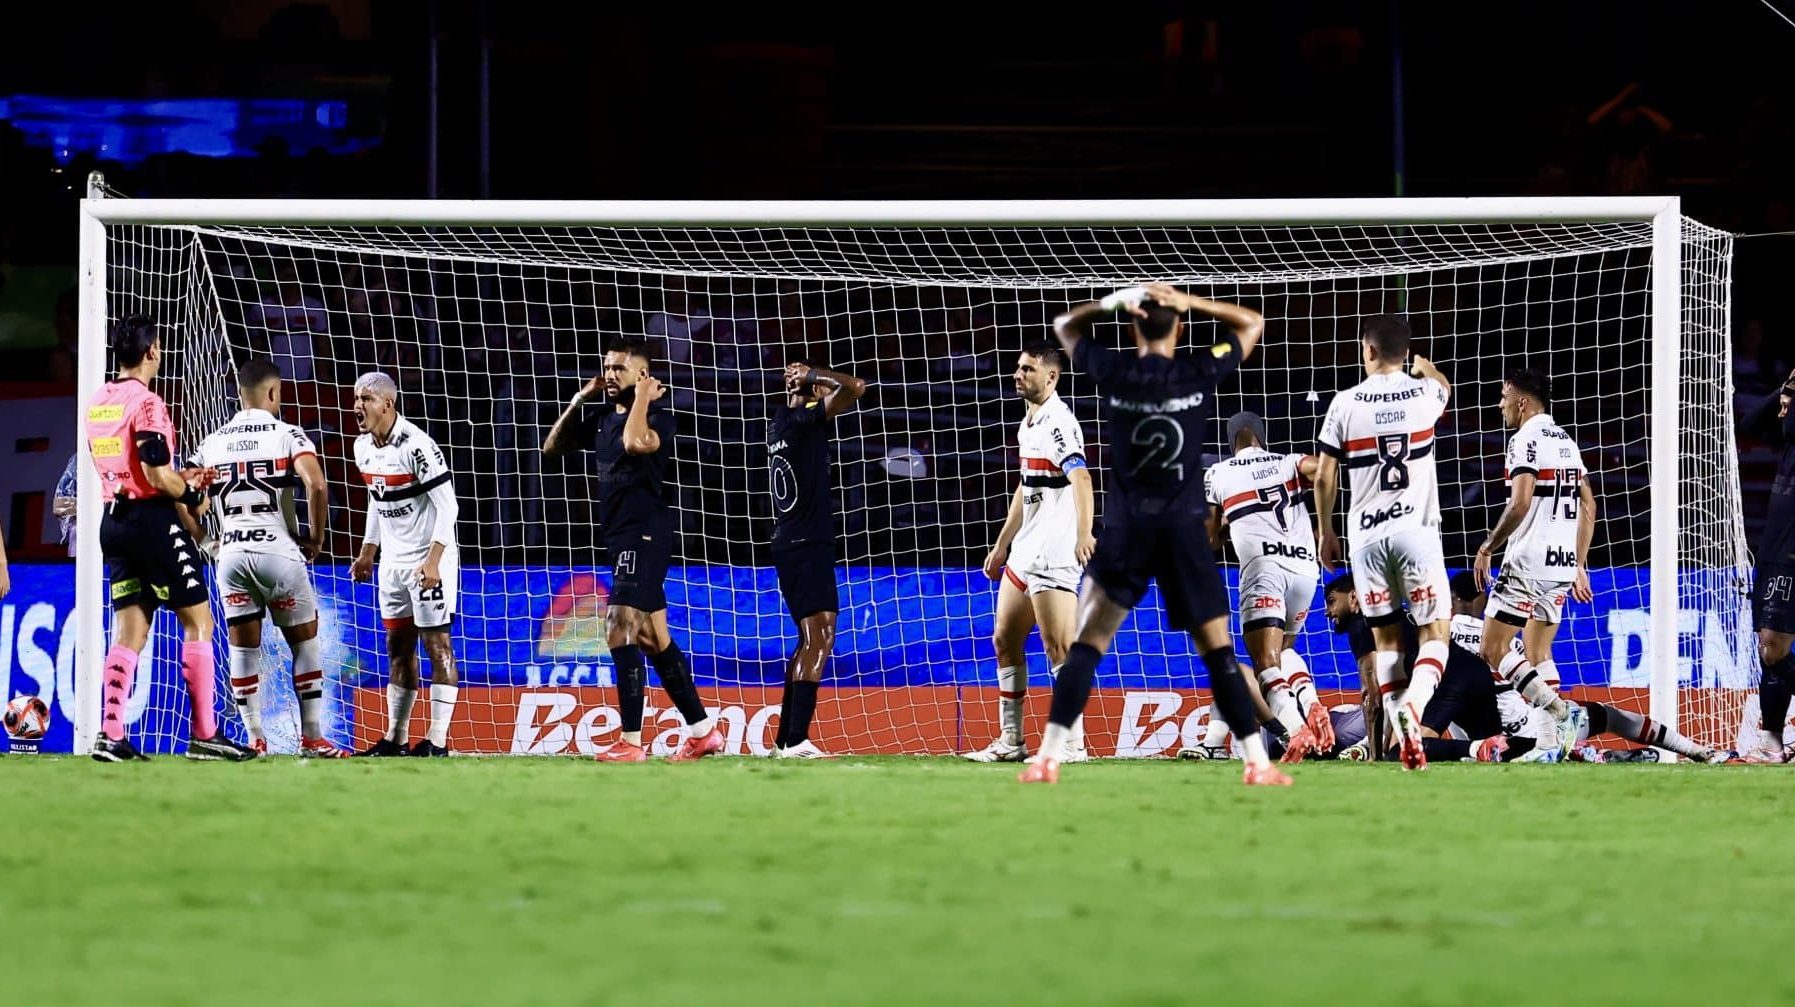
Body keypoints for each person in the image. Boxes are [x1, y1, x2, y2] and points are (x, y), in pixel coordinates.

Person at [1021, 283, 1288, 786]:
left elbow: (1064, 326)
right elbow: (1252, 323)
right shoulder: (1197, 369)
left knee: (1088, 645)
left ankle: (1048, 757)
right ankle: (1257, 762)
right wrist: (1193, 302)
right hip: (1184, 531)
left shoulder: (1115, 370)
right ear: (1180, 329)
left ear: (1132, 328)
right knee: (1218, 651)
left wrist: (1114, 301)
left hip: (1128, 530)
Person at [541, 339, 723, 762]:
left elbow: (636, 443)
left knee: (618, 626)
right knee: (653, 638)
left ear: (641, 376)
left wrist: (642, 398)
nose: (609, 375)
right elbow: (552, 447)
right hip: (620, 537)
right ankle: (703, 733)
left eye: (618, 369)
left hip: (646, 536)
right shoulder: (602, 419)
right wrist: (579, 399)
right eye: (606, 367)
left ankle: (631, 742)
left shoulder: (660, 417)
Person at [84, 315, 254, 762]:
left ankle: (111, 734)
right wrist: (194, 492)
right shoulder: (147, 404)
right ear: (152, 352)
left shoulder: (98, 402)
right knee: (199, 621)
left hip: (114, 523)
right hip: (153, 523)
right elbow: (157, 476)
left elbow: (133, 469)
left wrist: (180, 477)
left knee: (130, 630)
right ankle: (205, 734)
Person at [1314, 314, 1453, 771]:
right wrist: (1424, 367)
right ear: (1403, 352)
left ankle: (1399, 732)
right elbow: (1444, 386)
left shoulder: (1345, 403)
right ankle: (1413, 709)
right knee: (1435, 634)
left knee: (1386, 643)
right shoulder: (1424, 393)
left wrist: (1325, 529)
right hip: (1416, 533)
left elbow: (1326, 475)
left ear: (1369, 350)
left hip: (1366, 540)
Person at [190, 359, 344, 757]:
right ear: (274, 392)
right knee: (305, 643)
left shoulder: (212, 442)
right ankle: (312, 738)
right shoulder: (288, 434)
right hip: (278, 551)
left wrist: (205, 540)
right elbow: (317, 485)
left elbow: (180, 494)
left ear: (240, 394)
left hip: (232, 555)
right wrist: (316, 538)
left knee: (244, 650)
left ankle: (255, 739)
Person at [965, 342, 1096, 763]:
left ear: (1051, 377)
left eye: (1027, 369)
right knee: (1004, 639)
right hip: (1025, 551)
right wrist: (1003, 543)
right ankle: (1011, 741)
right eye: (1018, 367)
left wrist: (1084, 533)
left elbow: (1082, 479)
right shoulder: (1029, 423)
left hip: (1054, 552)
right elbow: (1027, 486)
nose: (1018, 374)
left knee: (1059, 649)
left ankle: (1072, 744)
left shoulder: (1060, 424)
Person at [1471, 367, 1593, 760]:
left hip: (1527, 561)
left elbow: (1521, 502)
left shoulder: (1524, 439)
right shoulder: (1567, 442)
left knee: (1492, 649)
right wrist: (1578, 563)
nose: (1500, 404)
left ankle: (1561, 712)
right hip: (1560, 565)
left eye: (1504, 396)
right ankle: (1547, 745)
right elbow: (1589, 506)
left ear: (1521, 401)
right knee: (1539, 653)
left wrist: (1488, 546)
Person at [1199, 410, 1332, 751]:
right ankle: (1311, 700)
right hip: (1305, 569)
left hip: (1263, 569)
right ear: (1262, 436)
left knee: (1265, 663)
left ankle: (1296, 729)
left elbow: (1209, 539)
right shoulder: (1289, 461)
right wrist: (1325, 527)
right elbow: (1324, 470)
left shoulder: (1218, 472)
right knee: (1285, 650)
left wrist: (1226, 525)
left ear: (1231, 441)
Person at [349, 371, 461, 757]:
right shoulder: (361, 447)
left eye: (365, 398)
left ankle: (437, 742)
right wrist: (368, 551)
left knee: (437, 644)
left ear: (388, 404)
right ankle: (395, 739)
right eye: (356, 398)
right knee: (397, 647)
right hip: (392, 563)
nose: (358, 405)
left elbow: (449, 506)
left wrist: (433, 561)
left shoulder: (418, 446)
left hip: (428, 560)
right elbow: (376, 498)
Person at [766, 359, 866, 758]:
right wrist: (813, 376)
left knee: (808, 638)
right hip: (807, 543)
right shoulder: (803, 420)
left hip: (792, 542)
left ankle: (784, 740)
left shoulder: (782, 422)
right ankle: (796, 741)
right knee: (820, 636)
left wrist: (810, 381)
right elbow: (855, 387)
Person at [1741, 367, 1795, 761]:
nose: (1782, 406)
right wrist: (1783, 389)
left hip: (1791, 552)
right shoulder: (1789, 441)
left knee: (1773, 647)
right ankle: (1773, 743)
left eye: (1790, 399)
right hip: (1776, 551)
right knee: (1771, 649)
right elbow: (1748, 423)